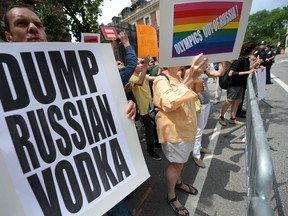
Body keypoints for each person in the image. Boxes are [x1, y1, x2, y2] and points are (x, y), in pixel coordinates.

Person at [4, 4, 136, 216]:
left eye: (38, 24)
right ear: (9, 37)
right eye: (22, 23)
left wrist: (124, 109)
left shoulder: (74, 72)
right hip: (51, 195)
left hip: (98, 179)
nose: (32, 28)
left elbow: (99, 110)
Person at [153, 53, 208, 216]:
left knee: (180, 162)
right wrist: (190, 77)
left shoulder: (180, 75)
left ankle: (178, 182)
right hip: (175, 132)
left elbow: (199, 90)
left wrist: (195, 75)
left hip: (187, 129)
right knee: (176, 164)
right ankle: (171, 195)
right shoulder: (161, 80)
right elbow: (170, 102)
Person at [189, 62, 227, 168]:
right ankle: (196, 155)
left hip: (206, 102)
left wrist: (222, 60)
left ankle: (199, 147)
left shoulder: (204, 70)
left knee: (201, 128)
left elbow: (219, 73)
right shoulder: (191, 70)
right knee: (199, 129)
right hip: (199, 103)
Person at [129, 56, 162, 161]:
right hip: (143, 108)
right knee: (149, 128)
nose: (140, 64)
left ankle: (157, 143)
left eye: (141, 63)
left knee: (155, 124)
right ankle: (150, 150)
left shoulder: (141, 75)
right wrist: (145, 65)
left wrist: (164, 76)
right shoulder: (131, 78)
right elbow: (140, 82)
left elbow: (152, 78)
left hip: (150, 105)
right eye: (138, 63)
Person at [218, 41, 257, 126]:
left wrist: (254, 66)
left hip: (241, 84)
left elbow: (245, 69)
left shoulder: (246, 59)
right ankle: (221, 117)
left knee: (237, 102)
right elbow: (231, 73)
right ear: (250, 50)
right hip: (234, 84)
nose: (254, 50)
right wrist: (248, 71)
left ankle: (232, 118)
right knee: (229, 101)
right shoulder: (239, 60)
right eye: (253, 49)